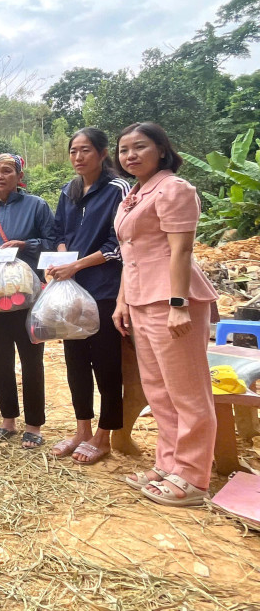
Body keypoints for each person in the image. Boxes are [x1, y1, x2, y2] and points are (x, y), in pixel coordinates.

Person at [113, 122, 219, 507]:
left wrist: (179, 305)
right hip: (142, 300)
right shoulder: (135, 194)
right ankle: (168, 462)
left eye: (140, 147)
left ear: (161, 148)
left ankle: (192, 477)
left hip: (173, 301)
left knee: (187, 391)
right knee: (158, 390)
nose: (130, 156)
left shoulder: (174, 189)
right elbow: (130, 253)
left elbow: (182, 251)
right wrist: (123, 301)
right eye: (124, 150)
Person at [47, 129, 130, 464]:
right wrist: (64, 257)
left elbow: (119, 243)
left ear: (102, 152)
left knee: (107, 364)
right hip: (72, 291)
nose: (78, 157)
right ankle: (82, 429)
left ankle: (104, 436)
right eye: (73, 151)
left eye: (85, 150)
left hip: (105, 289)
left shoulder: (119, 189)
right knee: (75, 361)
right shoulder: (69, 190)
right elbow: (58, 232)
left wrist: (78, 264)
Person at [0, 153, 56, 449]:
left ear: (19, 176)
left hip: (27, 296)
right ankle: (7, 421)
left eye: (7, 170)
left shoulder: (37, 206)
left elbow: (53, 242)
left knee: (31, 360)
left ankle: (34, 425)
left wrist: (26, 245)